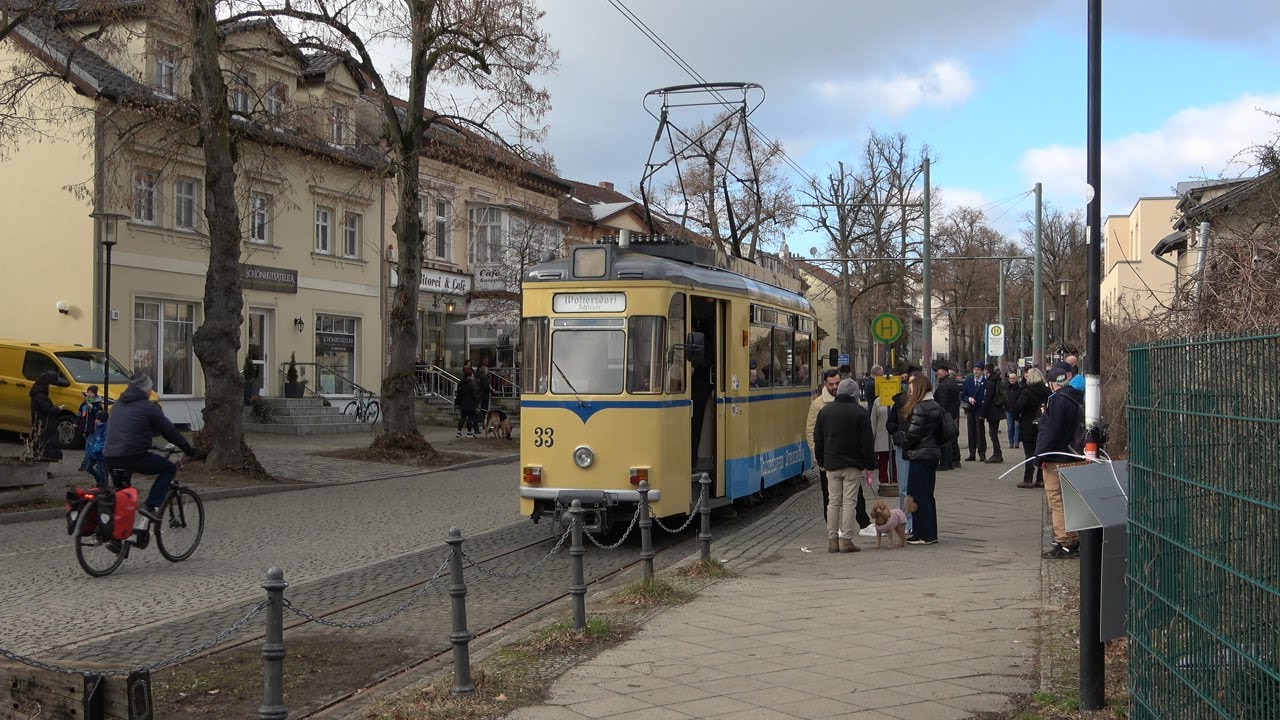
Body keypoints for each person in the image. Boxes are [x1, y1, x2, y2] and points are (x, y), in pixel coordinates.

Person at [104, 372, 198, 518]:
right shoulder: (148, 407)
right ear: (144, 390)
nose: (151, 392)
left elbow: (128, 428)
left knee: (122, 497)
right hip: (133, 456)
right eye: (150, 388)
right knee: (169, 468)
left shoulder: (118, 405)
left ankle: (118, 535)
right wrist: (188, 449)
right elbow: (169, 431)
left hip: (110, 456)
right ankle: (150, 505)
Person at [813, 378, 876, 553]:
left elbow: (818, 439)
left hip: (831, 464)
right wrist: (870, 465)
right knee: (849, 501)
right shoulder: (860, 412)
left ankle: (832, 540)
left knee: (833, 502)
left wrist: (821, 461)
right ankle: (846, 540)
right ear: (855, 394)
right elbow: (867, 442)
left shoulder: (825, 411)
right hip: (853, 465)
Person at [1036, 364, 1082, 558]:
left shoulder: (1057, 401)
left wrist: (1039, 455)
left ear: (1052, 384)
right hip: (1074, 455)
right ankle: (1073, 538)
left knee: (1056, 500)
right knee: (1071, 502)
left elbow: (1051, 431)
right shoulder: (1077, 397)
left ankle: (1065, 542)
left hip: (1057, 457)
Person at [901, 372, 945, 545]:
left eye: (912, 385)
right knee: (927, 494)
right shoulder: (935, 405)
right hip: (932, 453)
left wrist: (904, 441)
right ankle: (929, 532)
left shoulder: (920, 407)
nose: (909, 388)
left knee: (918, 494)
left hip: (920, 454)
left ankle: (923, 533)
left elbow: (914, 433)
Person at [806, 369, 839, 520]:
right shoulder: (818, 404)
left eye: (837, 383)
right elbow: (810, 429)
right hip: (826, 455)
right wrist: (816, 454)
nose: (835, 387)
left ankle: (861, 522)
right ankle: (830, 524)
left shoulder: (846, 399)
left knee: (852, 493)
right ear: (825, 384)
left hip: (844, 453)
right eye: (831, 384)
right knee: (828, 493)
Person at [885, 370, 914, 536]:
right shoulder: (900, 401)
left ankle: (918, 520)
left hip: (920, 448)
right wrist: (897, 433)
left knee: (918, 487)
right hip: (903, 447)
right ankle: (906, 519)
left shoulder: (924, 402)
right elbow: (890, 424)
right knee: (904, 487)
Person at [1013, 367, 1051, 489]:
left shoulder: (1027, 391)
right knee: (1041, 452)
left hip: (1028, 425)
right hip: (1043, 425)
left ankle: (1028, 479)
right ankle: (1040, 479)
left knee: (1029, 453)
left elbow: (1018, 406)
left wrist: (1017, 417)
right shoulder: (1047, 391)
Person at [28, 370, 63, 461]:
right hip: (44, 423)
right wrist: (58, 409)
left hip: (41, 423)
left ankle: (42, 463)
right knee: (44, 445)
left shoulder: (38, 393)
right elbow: (46, 410)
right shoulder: (40, 395)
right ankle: (42, 465)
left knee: (42, 444)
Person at [933, 364, 962, 470]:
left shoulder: (944, 385)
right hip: (952, 414)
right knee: (952, 438)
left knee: (945, 438)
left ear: (945, 372)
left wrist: (940, 414)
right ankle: (954, 460)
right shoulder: (952, 382)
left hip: (945, 415)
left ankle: (945, 463)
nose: (937, 373)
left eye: (939, 371)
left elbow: (942, 402)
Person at [961, 361, 987, 462]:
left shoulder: (985, 382)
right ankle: (972, 454)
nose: (976, 371)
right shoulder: (968, 381)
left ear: (982, 371)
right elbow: (963, 395)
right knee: (971, 432)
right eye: (974, 369)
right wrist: (968, 398)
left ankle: (982, 454)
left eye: (978, 369)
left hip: (980, 409)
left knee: (980, 432)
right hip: (970, 410)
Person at [980, 364, 1006, 463]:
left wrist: (982, 413)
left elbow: (987, 398)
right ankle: (997, 453)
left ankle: (997, 454)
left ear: (987, 371)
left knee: (993, 433)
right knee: (993, 433)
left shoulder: (990, 382)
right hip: (998, 408)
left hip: (992, 410)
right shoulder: (997, 380)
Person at [82, 410, 110, 487]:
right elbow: (93, 440)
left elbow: (104, 442)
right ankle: (99, 480)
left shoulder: (105, 429)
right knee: (88, 467)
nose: (95, 420)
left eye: (97, 419)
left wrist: (96, 449)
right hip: (93, 453)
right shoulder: (97, 428)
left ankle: (103, 484)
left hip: (100, 453)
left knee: (101, 469)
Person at [454, 368, 480, 438]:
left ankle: (459, 432)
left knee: (462, 417)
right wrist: (477, 403)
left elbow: (459, 394)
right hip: (471, 404)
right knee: (470, 418)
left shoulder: (461, 383)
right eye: (472, 376)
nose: (473, 377)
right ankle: (469, 432)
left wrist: (457, 402)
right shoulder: (472, 384)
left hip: (463, 403)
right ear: (470, 376)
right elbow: (475, 395)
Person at [1005, 366, 1022, 449]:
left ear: (1016, 379)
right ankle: (1011, 442)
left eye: (1013, 378)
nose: (1012, 380)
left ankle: (1016, 442)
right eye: (1011, 378)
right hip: (1008, 409)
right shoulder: (1006, 388)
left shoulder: (1019, 388)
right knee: (1010, 426)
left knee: (1017, 426)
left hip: (1017, 410)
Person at [474, 363, 493, 429]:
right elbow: (485, 387)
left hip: (481, 395)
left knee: (483, 410)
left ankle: (484, 424)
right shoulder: (484, 377)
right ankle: (484, 424)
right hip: (484, 396)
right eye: (487, 369)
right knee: (484, 410)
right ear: (485, 370)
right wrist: (491, 390)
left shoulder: (480, 377)